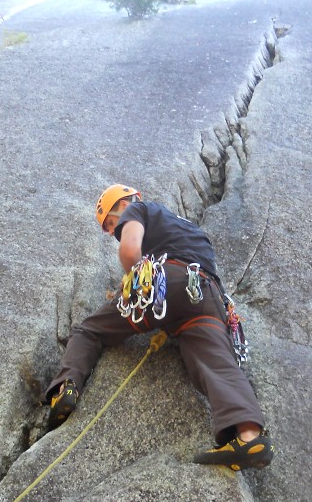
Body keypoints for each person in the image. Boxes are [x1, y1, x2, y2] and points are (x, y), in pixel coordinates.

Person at [45, 184, 274, 471]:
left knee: (89, 330)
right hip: (207, 299)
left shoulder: (139, 209)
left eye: (111, 223)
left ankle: (65, 388)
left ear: (124, 204)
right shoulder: (192, 231)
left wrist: (134, 277)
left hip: (166, 283)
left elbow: (130, 250)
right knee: (216, 364)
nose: (112, 231)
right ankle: (250, 437)